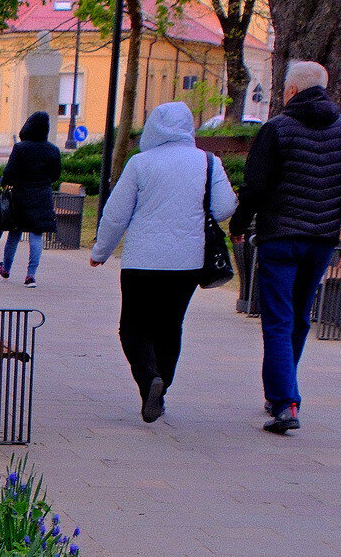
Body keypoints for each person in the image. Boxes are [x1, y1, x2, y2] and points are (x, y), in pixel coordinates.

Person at [230, 61, 341, 435]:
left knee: (278, 319)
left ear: (291, 91)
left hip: (280, 238)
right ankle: (283, 390)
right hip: (321, 240)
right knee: (299, 316)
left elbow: (255, 187)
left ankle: (285, 402)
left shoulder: (276, 129)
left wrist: (239, 225)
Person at [89, 101, 237, 424]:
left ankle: (149, 380)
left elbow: (116, 214)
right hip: (187, 261)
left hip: (141, 261)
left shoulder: (140, 164)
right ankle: (162, 386)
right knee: (170, 326)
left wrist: (101, 252)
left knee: (132, 327)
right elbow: (226, 206)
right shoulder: (208, 162)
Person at [0, 111, 62, 286]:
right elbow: (56, 175)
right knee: (36, 235)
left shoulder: (20, 148)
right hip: (42, 196)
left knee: (14, 233)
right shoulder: (53, 150)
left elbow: (9, 173)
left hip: (20, 197)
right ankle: (31, 275)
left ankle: (6, 268)